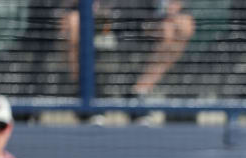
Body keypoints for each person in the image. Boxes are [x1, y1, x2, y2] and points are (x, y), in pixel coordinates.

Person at [60, 1, 195, 98]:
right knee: (74, 22)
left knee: (182, 26)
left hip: (143, 18)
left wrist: (171, 7)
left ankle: (139, 92)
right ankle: (85, 93)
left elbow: (173, 5)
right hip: (99, 19)